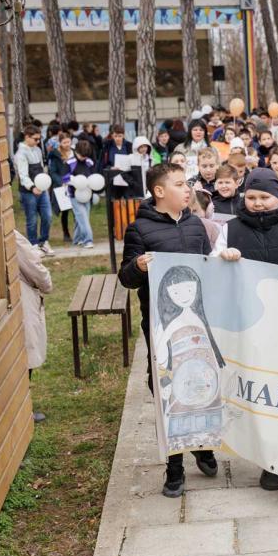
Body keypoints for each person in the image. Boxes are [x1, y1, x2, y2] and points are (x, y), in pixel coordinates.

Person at [212, 166, 278, 492]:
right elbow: (213, 266)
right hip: (253, 325)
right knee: (264, 394)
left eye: (264, 197)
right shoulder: (231, 229)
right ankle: (270, 462)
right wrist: (223, 257)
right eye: (252, 197)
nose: (257, 203)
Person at [118, 162, 218, 497]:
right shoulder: (139, 230)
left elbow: (208, 267)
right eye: (179, 184)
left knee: (201, 380)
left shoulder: (196, 225)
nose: (187, 189)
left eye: (187, 183)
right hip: (161, 327)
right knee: (167, 389)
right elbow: (126, 278)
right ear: (159, 191)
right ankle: (174, 467)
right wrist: (137, 266)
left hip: (198, 323)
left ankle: (202, 446)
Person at [14, 230, 52, 423]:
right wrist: (46, 283)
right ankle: (23, 409)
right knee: (26, 353)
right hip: (22, 298)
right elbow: (33, 266)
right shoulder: (12, 236)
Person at [14, 125, 53, 255]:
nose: (38, 141)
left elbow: (41, 168)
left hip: (42, 189)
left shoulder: (37, 150)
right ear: (27, 137)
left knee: (47, 216)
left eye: (39, 139)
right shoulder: (20, 154)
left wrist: (44, 184)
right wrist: (32, 187)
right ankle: (33, 245)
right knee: (32, 219)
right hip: (28, 192)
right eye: (35, 139)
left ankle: (44, 241)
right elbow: (23, 175)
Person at [67, 139, 96, 249]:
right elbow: (64, 177)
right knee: (82, 217)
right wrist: (73, 180)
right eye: (81, 156)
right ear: (76, 151)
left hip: (87, 195)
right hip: (74, 195)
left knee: (83, 218)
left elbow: (94, 176)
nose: (83, 158)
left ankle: (77, 239)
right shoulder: (70, 162)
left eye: (85, 156)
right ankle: (88, 240)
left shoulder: (89, 162)